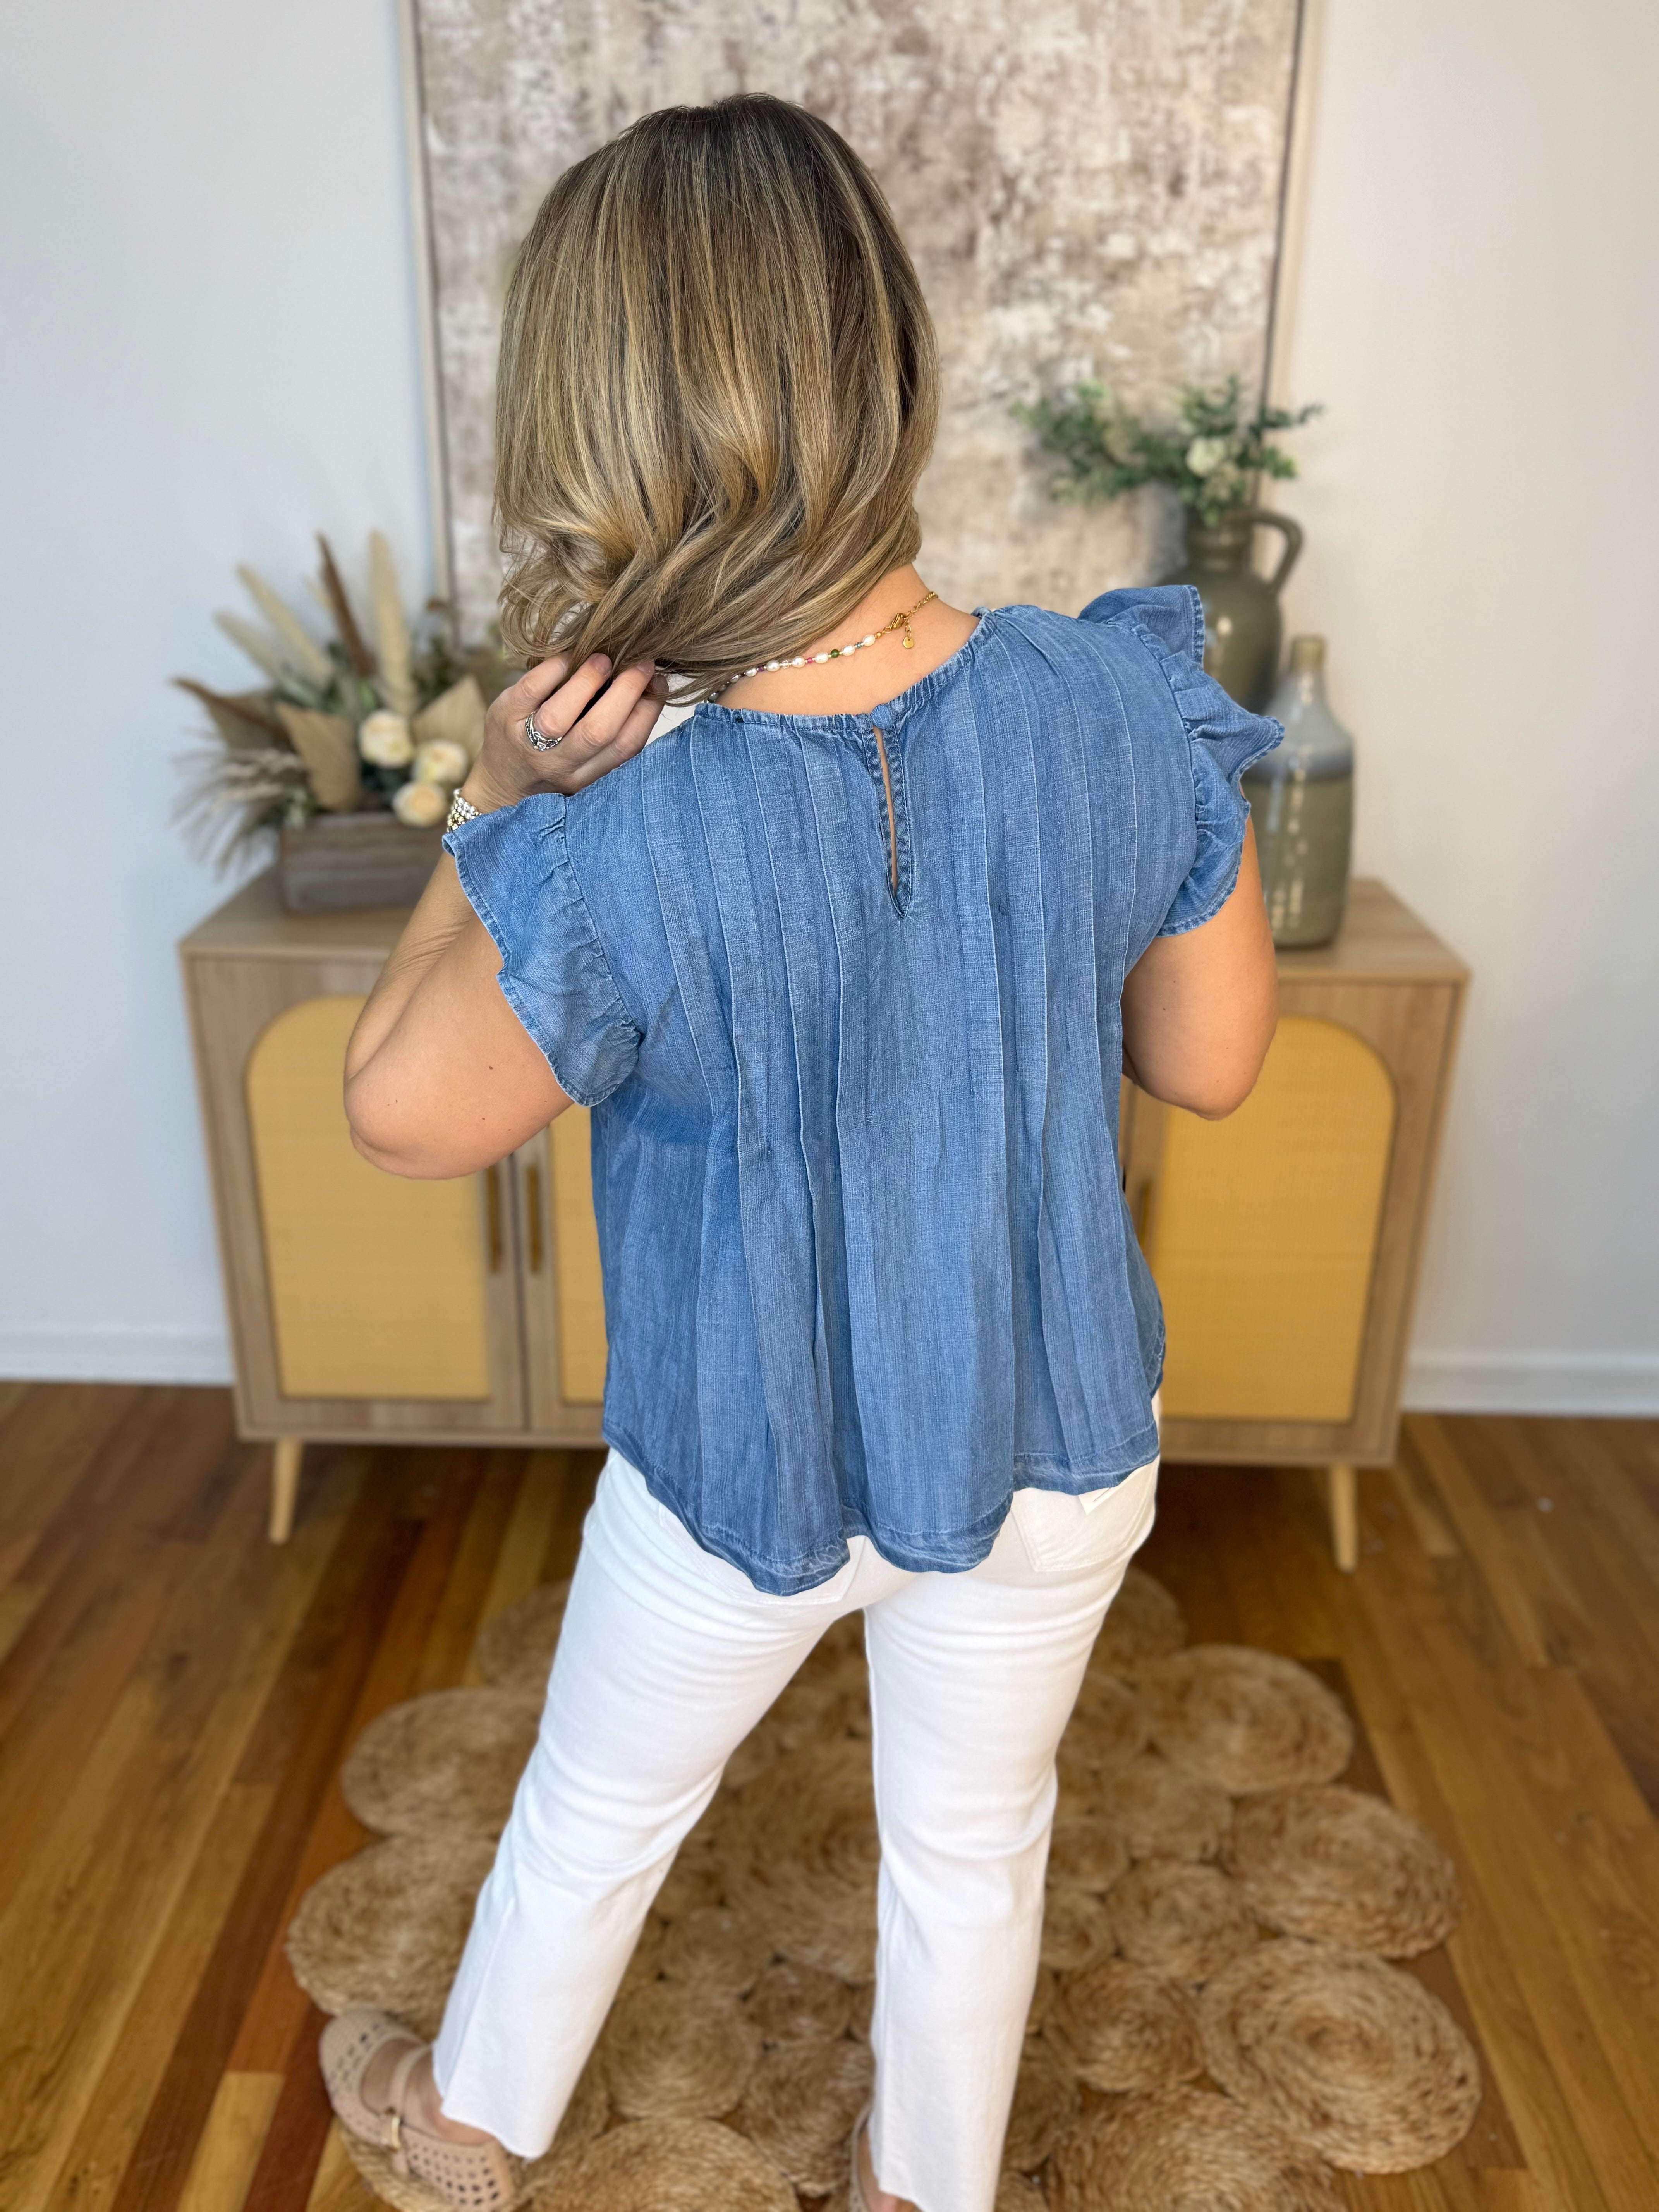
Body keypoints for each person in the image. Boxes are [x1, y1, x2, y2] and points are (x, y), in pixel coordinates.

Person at [320, 93, 1279, 2212]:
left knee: (597, 1807)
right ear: (884, 361)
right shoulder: (1122, 702)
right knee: (976, 1845)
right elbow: (1210, 1067)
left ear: (602, 414)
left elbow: (397, 1107)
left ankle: (464, 2132)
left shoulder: (622, 818)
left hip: (741, 1446)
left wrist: (498, 791)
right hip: (1046, 1425)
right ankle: (920, 2194)